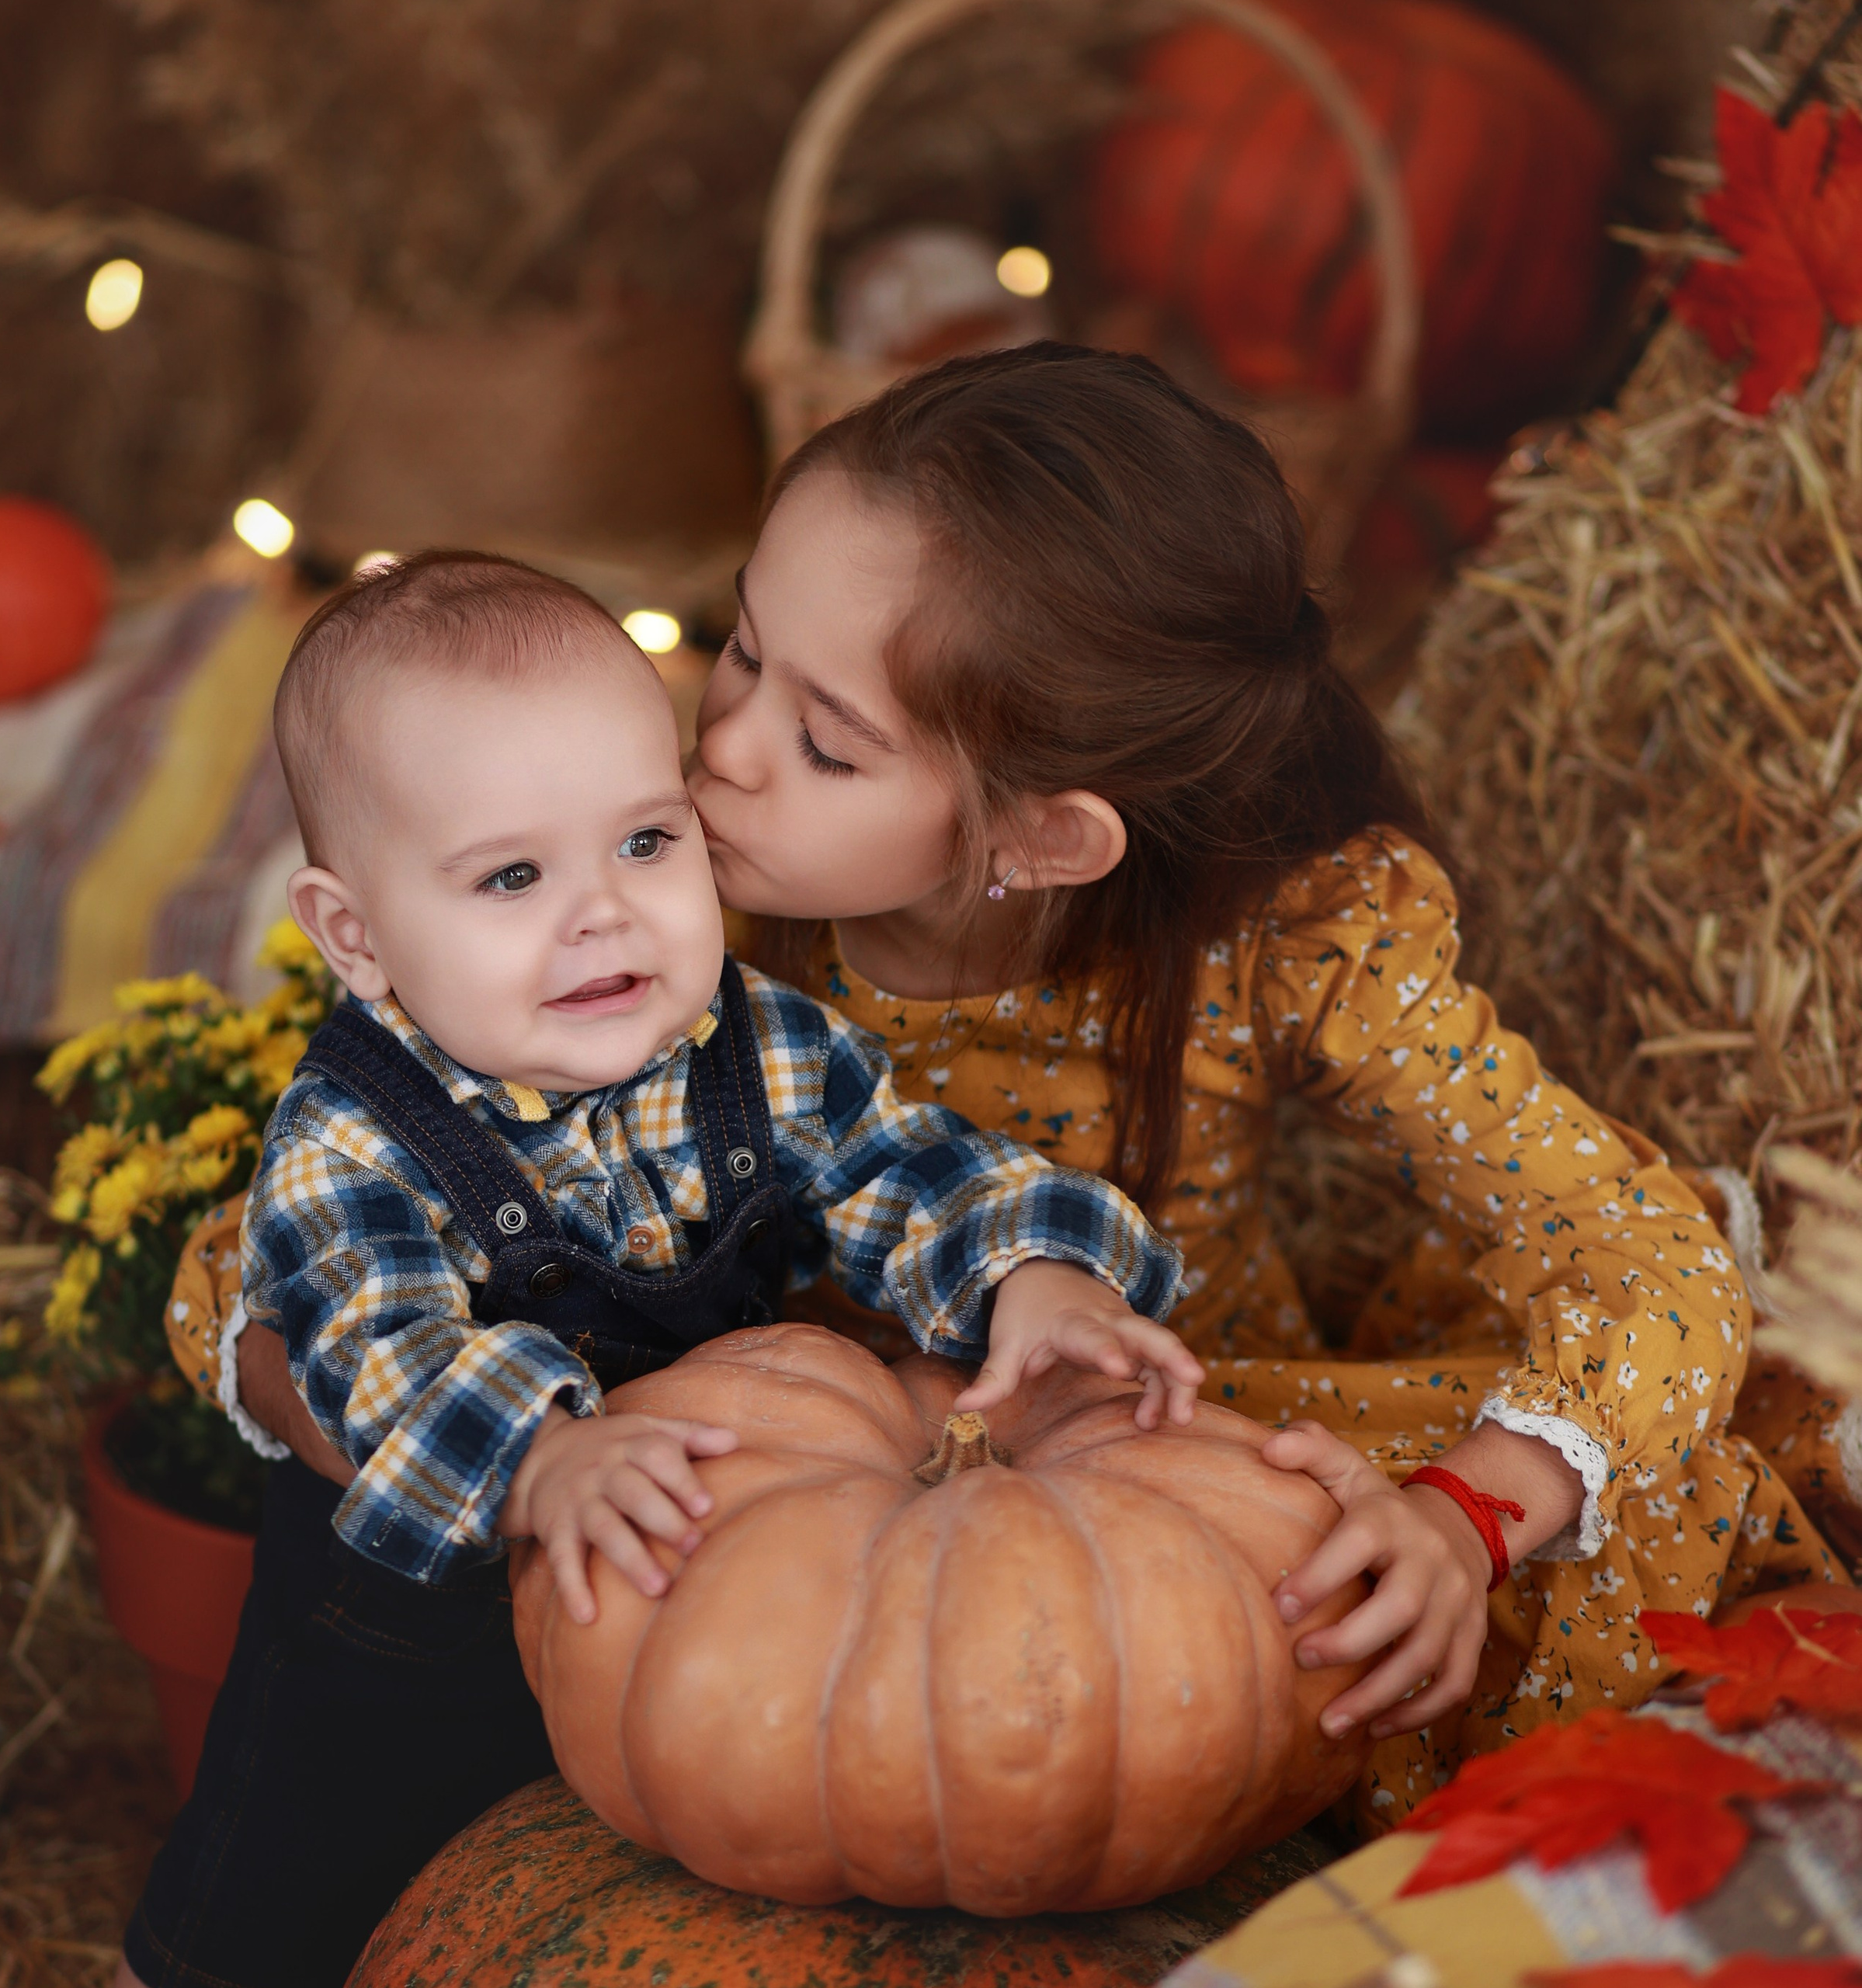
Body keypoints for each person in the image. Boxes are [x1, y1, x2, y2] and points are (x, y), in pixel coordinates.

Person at [200, 342, 1846, 1930]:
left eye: (826, 741)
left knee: (1621, 1516)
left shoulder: (1280, 950)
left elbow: (1654, 1262)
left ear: (1045, 838)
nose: (721, 754)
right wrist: (444, 1439)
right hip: (791, 1508)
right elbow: (296, 1249)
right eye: (743, 649)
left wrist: (1469, 1511)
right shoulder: (641, 924)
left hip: (1161, 1474)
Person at [119, 547, 1195, 1988]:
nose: (604, 913)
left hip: (671, 1607)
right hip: (408, 1648)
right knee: (281, 1905)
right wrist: (541, 1456)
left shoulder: (758, 1047)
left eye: (645, 841)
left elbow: (903, 1165)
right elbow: (373, 1347)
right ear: (356, 937)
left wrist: (1037, 1273)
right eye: (512, 876)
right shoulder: (351, 1142)